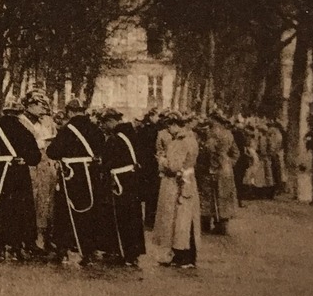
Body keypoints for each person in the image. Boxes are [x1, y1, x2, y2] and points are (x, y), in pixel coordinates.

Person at [46, 100, 107, 266]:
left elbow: (52, 152)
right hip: (91, 174)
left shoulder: (67, 130)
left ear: (70, 112)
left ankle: (62, 251)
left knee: (65, 212)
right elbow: (103, 149)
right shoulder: (96, 129)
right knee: (89, 212)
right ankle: (87, 252)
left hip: (72, 176)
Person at [0, 103, 41, 262]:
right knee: (20, 209)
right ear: (19, 114)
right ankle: (17, 247)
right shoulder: (25, 131)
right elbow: (35, 158)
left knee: (0, 208)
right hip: (19, 173)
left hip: (0, 172)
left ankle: (0, 249)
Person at [153, 110, 202, 269]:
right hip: (188, 180)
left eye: (170, 126)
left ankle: (182, 256)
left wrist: (162, 160)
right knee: (187, 220)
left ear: (175, 125)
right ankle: (186, 255)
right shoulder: (191, 138)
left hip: (176, 183)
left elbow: (173, 166)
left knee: (178, 220)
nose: (168, 130)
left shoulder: (180, 141)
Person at [99, 107, 146, 267]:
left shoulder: (115, 139)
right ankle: (133, 252)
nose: (102, 126)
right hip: (132, 179)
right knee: (133, 216)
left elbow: (106, 162)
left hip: (120, 180)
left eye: (104, 123)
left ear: (111, 121)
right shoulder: (131, 134)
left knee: (122, 216)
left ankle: (124, 251)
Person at [16, 90, 59, 257]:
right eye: (39, 105)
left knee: (47, 202)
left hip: (46, 165)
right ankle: (29, 240)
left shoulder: (46, 122)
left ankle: (47, 238)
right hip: (30, 166)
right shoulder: (21, 122)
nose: (43, 109)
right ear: (29, 105)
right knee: (31, 202)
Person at [196, 109, 240, 235]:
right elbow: (236, 152)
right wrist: (229, 162)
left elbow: (209, 152)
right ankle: (223, 224)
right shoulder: (229, 133)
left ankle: (207, 223)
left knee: (209, 196)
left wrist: (212, 166)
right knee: (225, 196)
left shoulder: (212, 134)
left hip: (214, 169)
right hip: (227, 169)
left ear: (214, 120)